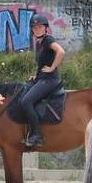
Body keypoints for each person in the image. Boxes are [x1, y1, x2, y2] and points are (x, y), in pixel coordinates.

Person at [18, 14, 65, 148]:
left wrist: (52, 68)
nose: (37, 29)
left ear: (45, 28)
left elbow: (61, 52)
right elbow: (43, 63)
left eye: (40, 27)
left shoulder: (48, 40)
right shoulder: (39, 43)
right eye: (34, 27)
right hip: (43, 79)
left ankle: (37, 135)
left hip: (50, 80)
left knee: (26, 101)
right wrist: (36, 76)